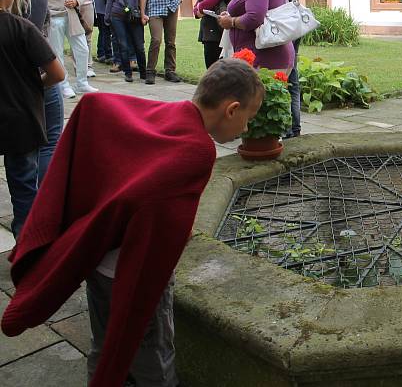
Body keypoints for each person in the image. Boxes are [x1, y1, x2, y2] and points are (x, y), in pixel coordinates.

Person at [1, 58, 265, 387]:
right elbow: (155, 244)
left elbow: (97, 105)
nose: (246, 129)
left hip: (99, 265)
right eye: (248, 119)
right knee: (152, 357)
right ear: (232, 109)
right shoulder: (197, 151)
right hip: (126, 275)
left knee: (102, 344)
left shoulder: (170, 113)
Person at [0, 0, 66, 236]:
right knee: (24, 189)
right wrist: (38, 83)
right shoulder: (22, 28)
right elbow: (58, 73)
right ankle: (28, 250)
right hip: (20, 121)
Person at [6, 0, 65, 184]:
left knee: (19, 153)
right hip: (38, 74)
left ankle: (25, 212)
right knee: (50, 141)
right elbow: (35, 38)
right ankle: (43, 204)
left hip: (9, 80)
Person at [254, 0, 302, 139]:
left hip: (278, 26)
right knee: (291, 76)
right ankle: (295, 126)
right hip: (291, 24)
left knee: (282, 79)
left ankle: (287, 128)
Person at [39, 0, 98, 97]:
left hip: (72, 17)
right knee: (57, 53)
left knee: (82, 49)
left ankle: (82, 83)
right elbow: (41, 1)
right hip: (55, 19)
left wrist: (76, 1)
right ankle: (63, 85)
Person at [105, 0, 147, 83]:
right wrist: (107, 18)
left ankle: (143, 72)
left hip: (134, 15)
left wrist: (144, 13)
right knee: (122, 44)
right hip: (118, 15)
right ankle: (127, 73)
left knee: (139, 45)